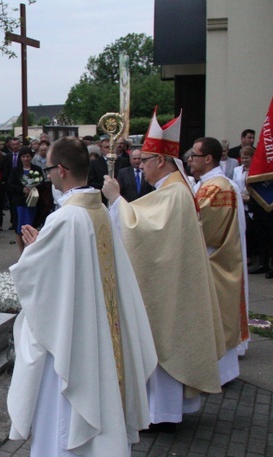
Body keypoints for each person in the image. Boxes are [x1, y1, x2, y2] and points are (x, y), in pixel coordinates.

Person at [8, 136, 157, 457]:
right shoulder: (97, 212)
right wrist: (43, 245)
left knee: (65, 405)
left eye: (48, 169)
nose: (47, 176)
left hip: (72, 336)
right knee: (97, 392)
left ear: (60, 170)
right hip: (100, 329)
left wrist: (30, 251)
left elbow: (43, 280)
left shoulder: (66, 217)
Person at [102, 110, 225, 430]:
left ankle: (162, 414)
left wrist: (116, 201)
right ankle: (161, 412)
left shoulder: (175, 194)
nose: (140, 166)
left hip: (169, 294)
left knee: (163, 342)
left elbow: (143, 231)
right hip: (173, 286)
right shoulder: (173, 190)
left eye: (145, 160)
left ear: (161, 160)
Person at [189, 136, 249, 375]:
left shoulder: (217, 188)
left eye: (194, 155)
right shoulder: (205, 184)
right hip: (214, 257)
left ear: (208, 158)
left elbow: (202, 229)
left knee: (218, 314)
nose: (190, 159)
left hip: (215, 259)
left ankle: (220, 373)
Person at [8, 146, 44, 254]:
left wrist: (34, 187)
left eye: (27, 156)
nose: (26, 159)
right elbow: (10, 185)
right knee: (19, 229)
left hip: (33, 203)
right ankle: (21, 252)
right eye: (23, 156)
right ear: (20, 158)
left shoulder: (37, 169)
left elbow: (42, 184)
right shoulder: (15, 170)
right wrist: (22, 189)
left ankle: (31, 251)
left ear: (31, 157)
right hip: (19, 203)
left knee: (31, 227)